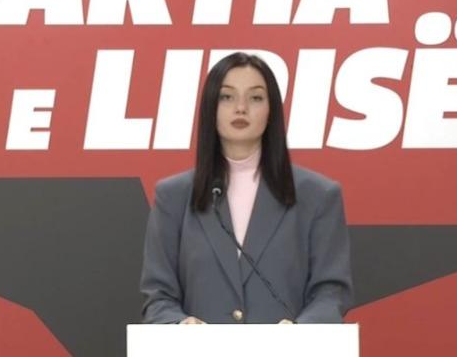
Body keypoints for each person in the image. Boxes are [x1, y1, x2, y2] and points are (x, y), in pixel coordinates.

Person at [140, 52, 353, 324]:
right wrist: (180, 325)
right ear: (210, 107)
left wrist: (300, 332)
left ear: (271, 110)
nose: (240, 108)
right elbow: (158, 297)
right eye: (227, 96)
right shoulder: (173, 197)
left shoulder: (318, 196)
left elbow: (331, 293)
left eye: (255, 98)